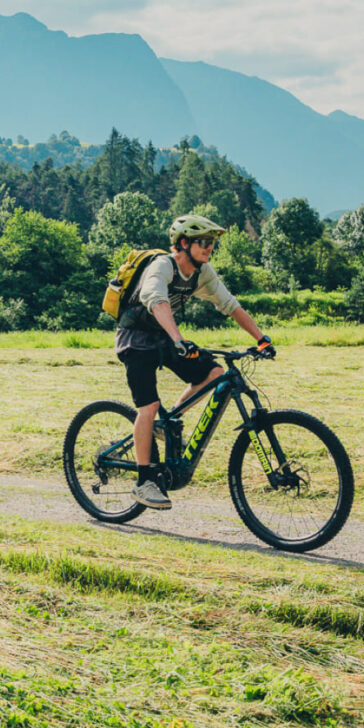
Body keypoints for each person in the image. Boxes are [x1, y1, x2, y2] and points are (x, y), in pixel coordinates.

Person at [115, 213, 273, 511]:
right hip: (135, 338)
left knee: (214, 373)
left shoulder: (202, 272)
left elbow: (230, 305)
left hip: (165, 336)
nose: (209, 248)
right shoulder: (162, 265)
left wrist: (261, 338)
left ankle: (168, 421)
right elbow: (156, 300)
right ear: (184, 243)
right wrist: (177, 338)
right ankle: (144, 481)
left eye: (212, 243)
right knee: (147, 405)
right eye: (204, 242)